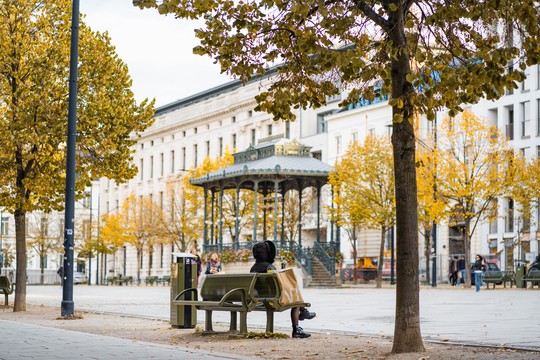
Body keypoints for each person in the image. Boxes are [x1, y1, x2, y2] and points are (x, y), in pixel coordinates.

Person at [250, 240, 316, 338]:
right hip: (272, 300)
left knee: (295, 296)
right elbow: (279, 285)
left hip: (259, 300)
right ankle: (297, 327)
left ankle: (304, 312)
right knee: (296, 299)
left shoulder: (253, 268)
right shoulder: (269, 267)